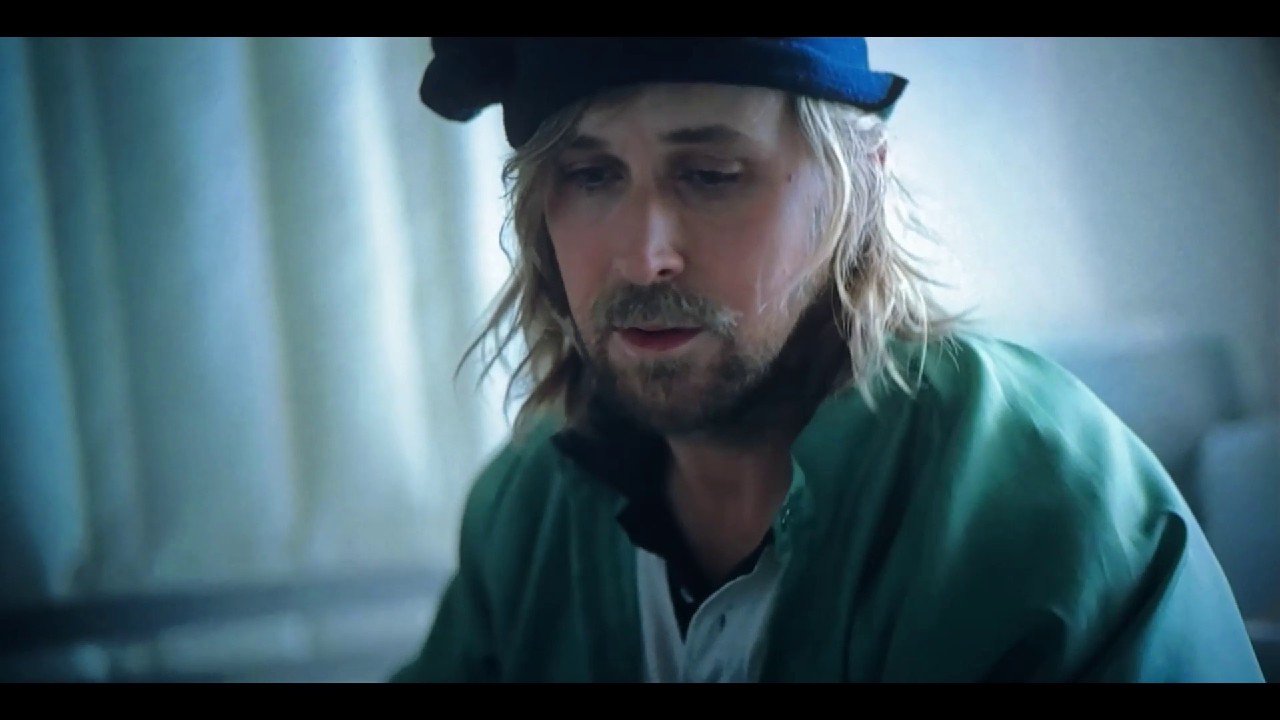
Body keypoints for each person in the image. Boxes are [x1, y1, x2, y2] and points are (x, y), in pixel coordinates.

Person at [391, 37, 1265, 682]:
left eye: (711, 174)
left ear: (858, 184)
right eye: (591, 176)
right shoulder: (531, 511)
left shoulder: (1050, 501)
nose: (645, 255)